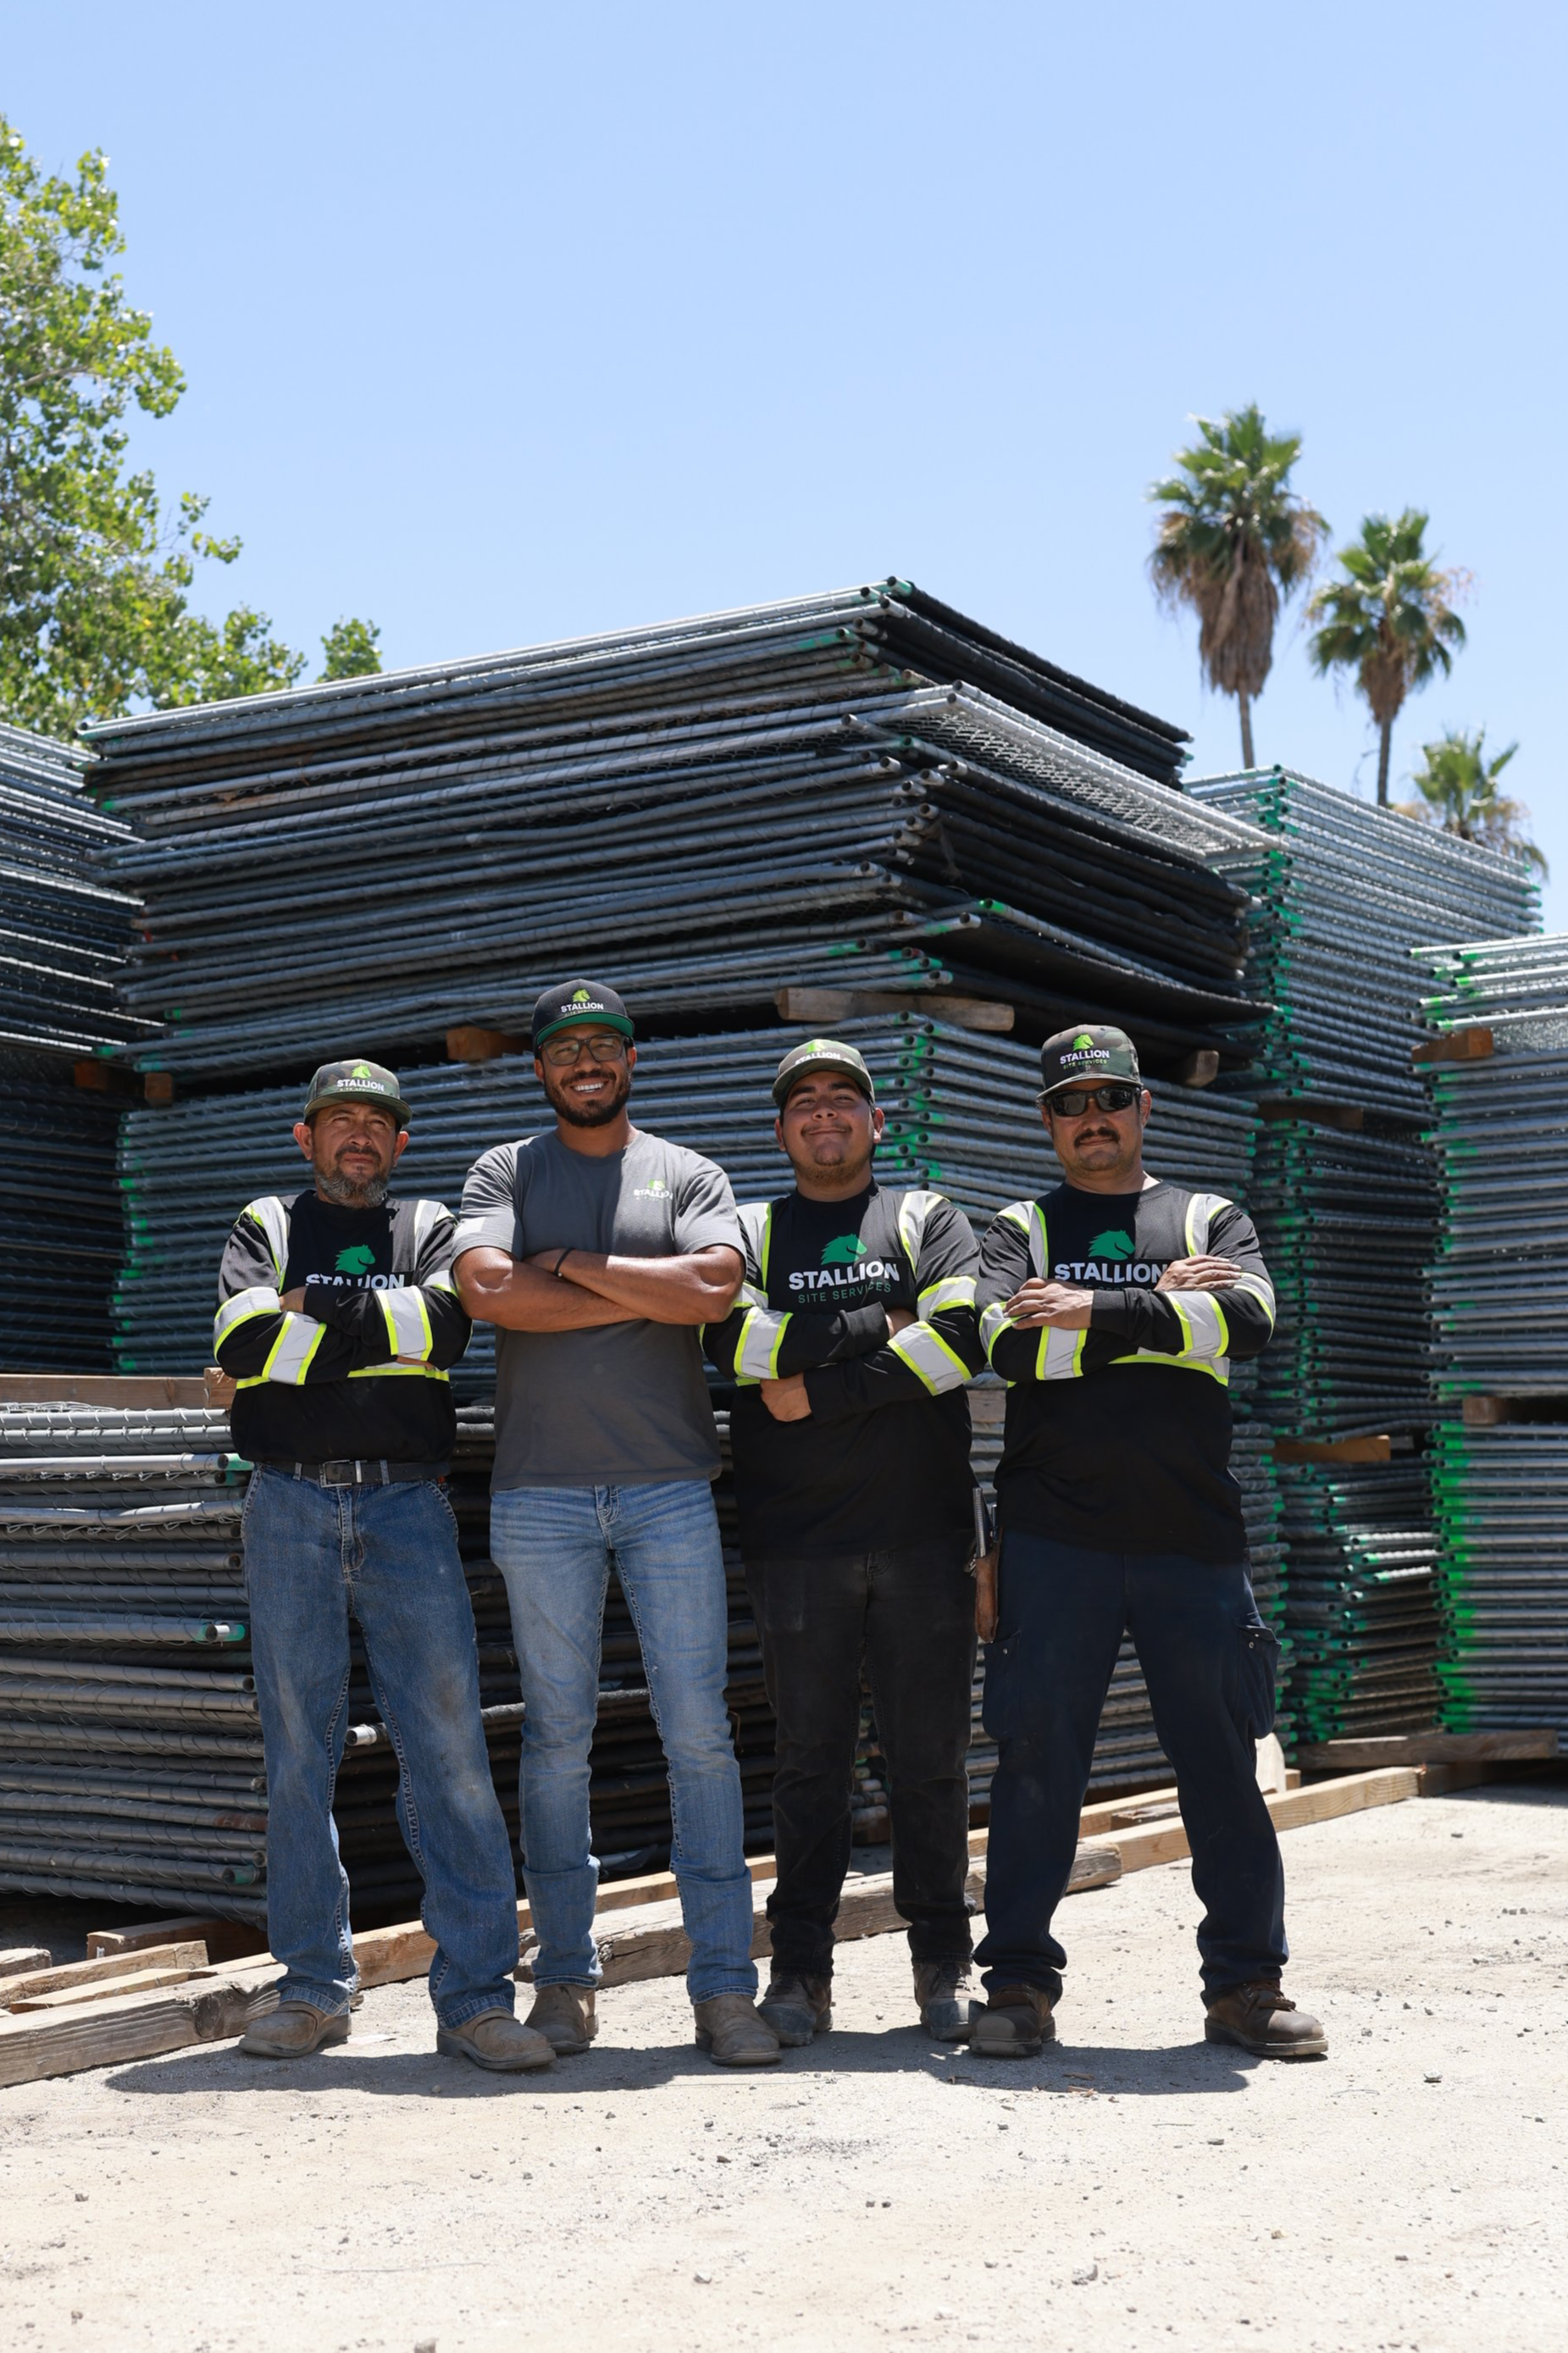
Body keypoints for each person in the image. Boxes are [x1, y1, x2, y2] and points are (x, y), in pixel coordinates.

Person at [970, 1024, 1326, 2061]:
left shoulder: (1208, 1212)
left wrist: (1085, 1307)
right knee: (1037, 1765)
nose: (1095, 1118)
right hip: (1054, 1541)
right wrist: (1165, 1307)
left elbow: (1251, 1322)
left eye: (1112, 1098)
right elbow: (1003, 1345)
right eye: (1073, 1102)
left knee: (1221, 1765)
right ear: (1047, 1118)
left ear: (1143, 1108)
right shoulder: (1017, 1224)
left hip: (1191, 1539)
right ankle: (1020, 1986)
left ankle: (1247, 1986)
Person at [452, 980, 777, 2067]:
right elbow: (488, 1291)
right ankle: (566, 1984)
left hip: (668, 1487)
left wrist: (576, 1267)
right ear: (540, 1068)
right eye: (563, 1049)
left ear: (631, 1061)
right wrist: (652, 1289)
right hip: (539, 1494)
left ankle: (725, 1988)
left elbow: (719, 1292)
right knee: (556, 1743)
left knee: (700, 1735)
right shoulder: (505, 1169)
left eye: (603, 1046)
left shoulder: (689, 1172)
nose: (584, 1061)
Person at [213, 1058, 548, 2073]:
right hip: (289, 1499)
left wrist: (316, 1313)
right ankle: (313, 1985)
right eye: (338, 1120)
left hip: (408, 1502)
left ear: (400, 1145)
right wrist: (375, 1327)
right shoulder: (265, 1222)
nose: (358, 1135)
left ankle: (477, 1998)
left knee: (447, 1749)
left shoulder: (433, 1229)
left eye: (376, 1122)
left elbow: (446, 1334)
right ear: (304, 1138)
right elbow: (242, 1336)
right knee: (299, 1751)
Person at [704, 1038, 986, 2046]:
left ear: (875, 1122)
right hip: (798, 1543)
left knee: (931, 1762)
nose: (825, 1114)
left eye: (844, 1100)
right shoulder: (745, 1227)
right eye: (804, 1102)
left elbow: (963, 1339)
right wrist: (889, 1320)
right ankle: (802, 1971)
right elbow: (731, 1345)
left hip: (923, 1536)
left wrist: (813, 1382)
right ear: (782, 1130)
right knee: (807, 1762)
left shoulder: (924, 1215)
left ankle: (942, 1963)